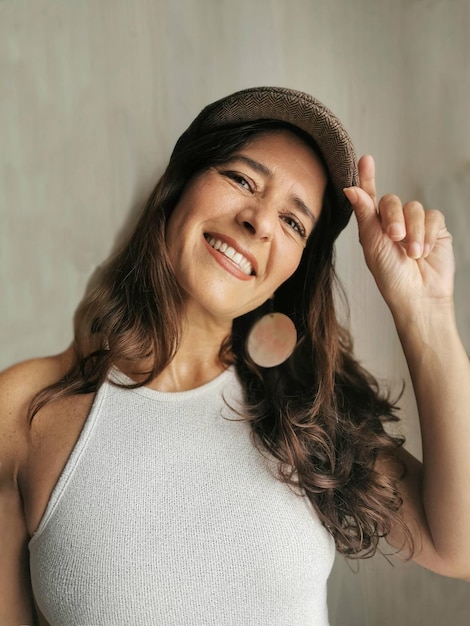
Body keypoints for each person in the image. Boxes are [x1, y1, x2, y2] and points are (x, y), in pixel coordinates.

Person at [1, 86, 469, 626]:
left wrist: (426, 310)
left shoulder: (308, 412)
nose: (260, 221)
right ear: (177, 187)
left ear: (294, 269)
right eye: (241, 179)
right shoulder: (21, 412)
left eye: (294, 223)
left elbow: (460, 546)